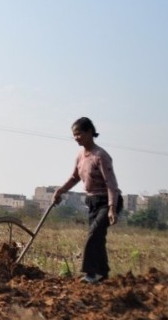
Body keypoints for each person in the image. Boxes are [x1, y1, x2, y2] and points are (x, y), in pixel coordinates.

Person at [51, 117, 122, 284]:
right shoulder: (80, 156)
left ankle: (90, 273)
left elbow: (111, 184)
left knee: (93, 234)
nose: (76, 138)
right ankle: (103, 274)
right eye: (74, 135)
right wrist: (60, 190)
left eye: (79, 134)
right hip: (92, 201)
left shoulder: (101, 156)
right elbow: (75, 177)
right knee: (98, 237)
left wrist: (112, 208)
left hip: (107, 201)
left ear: (89, 132)